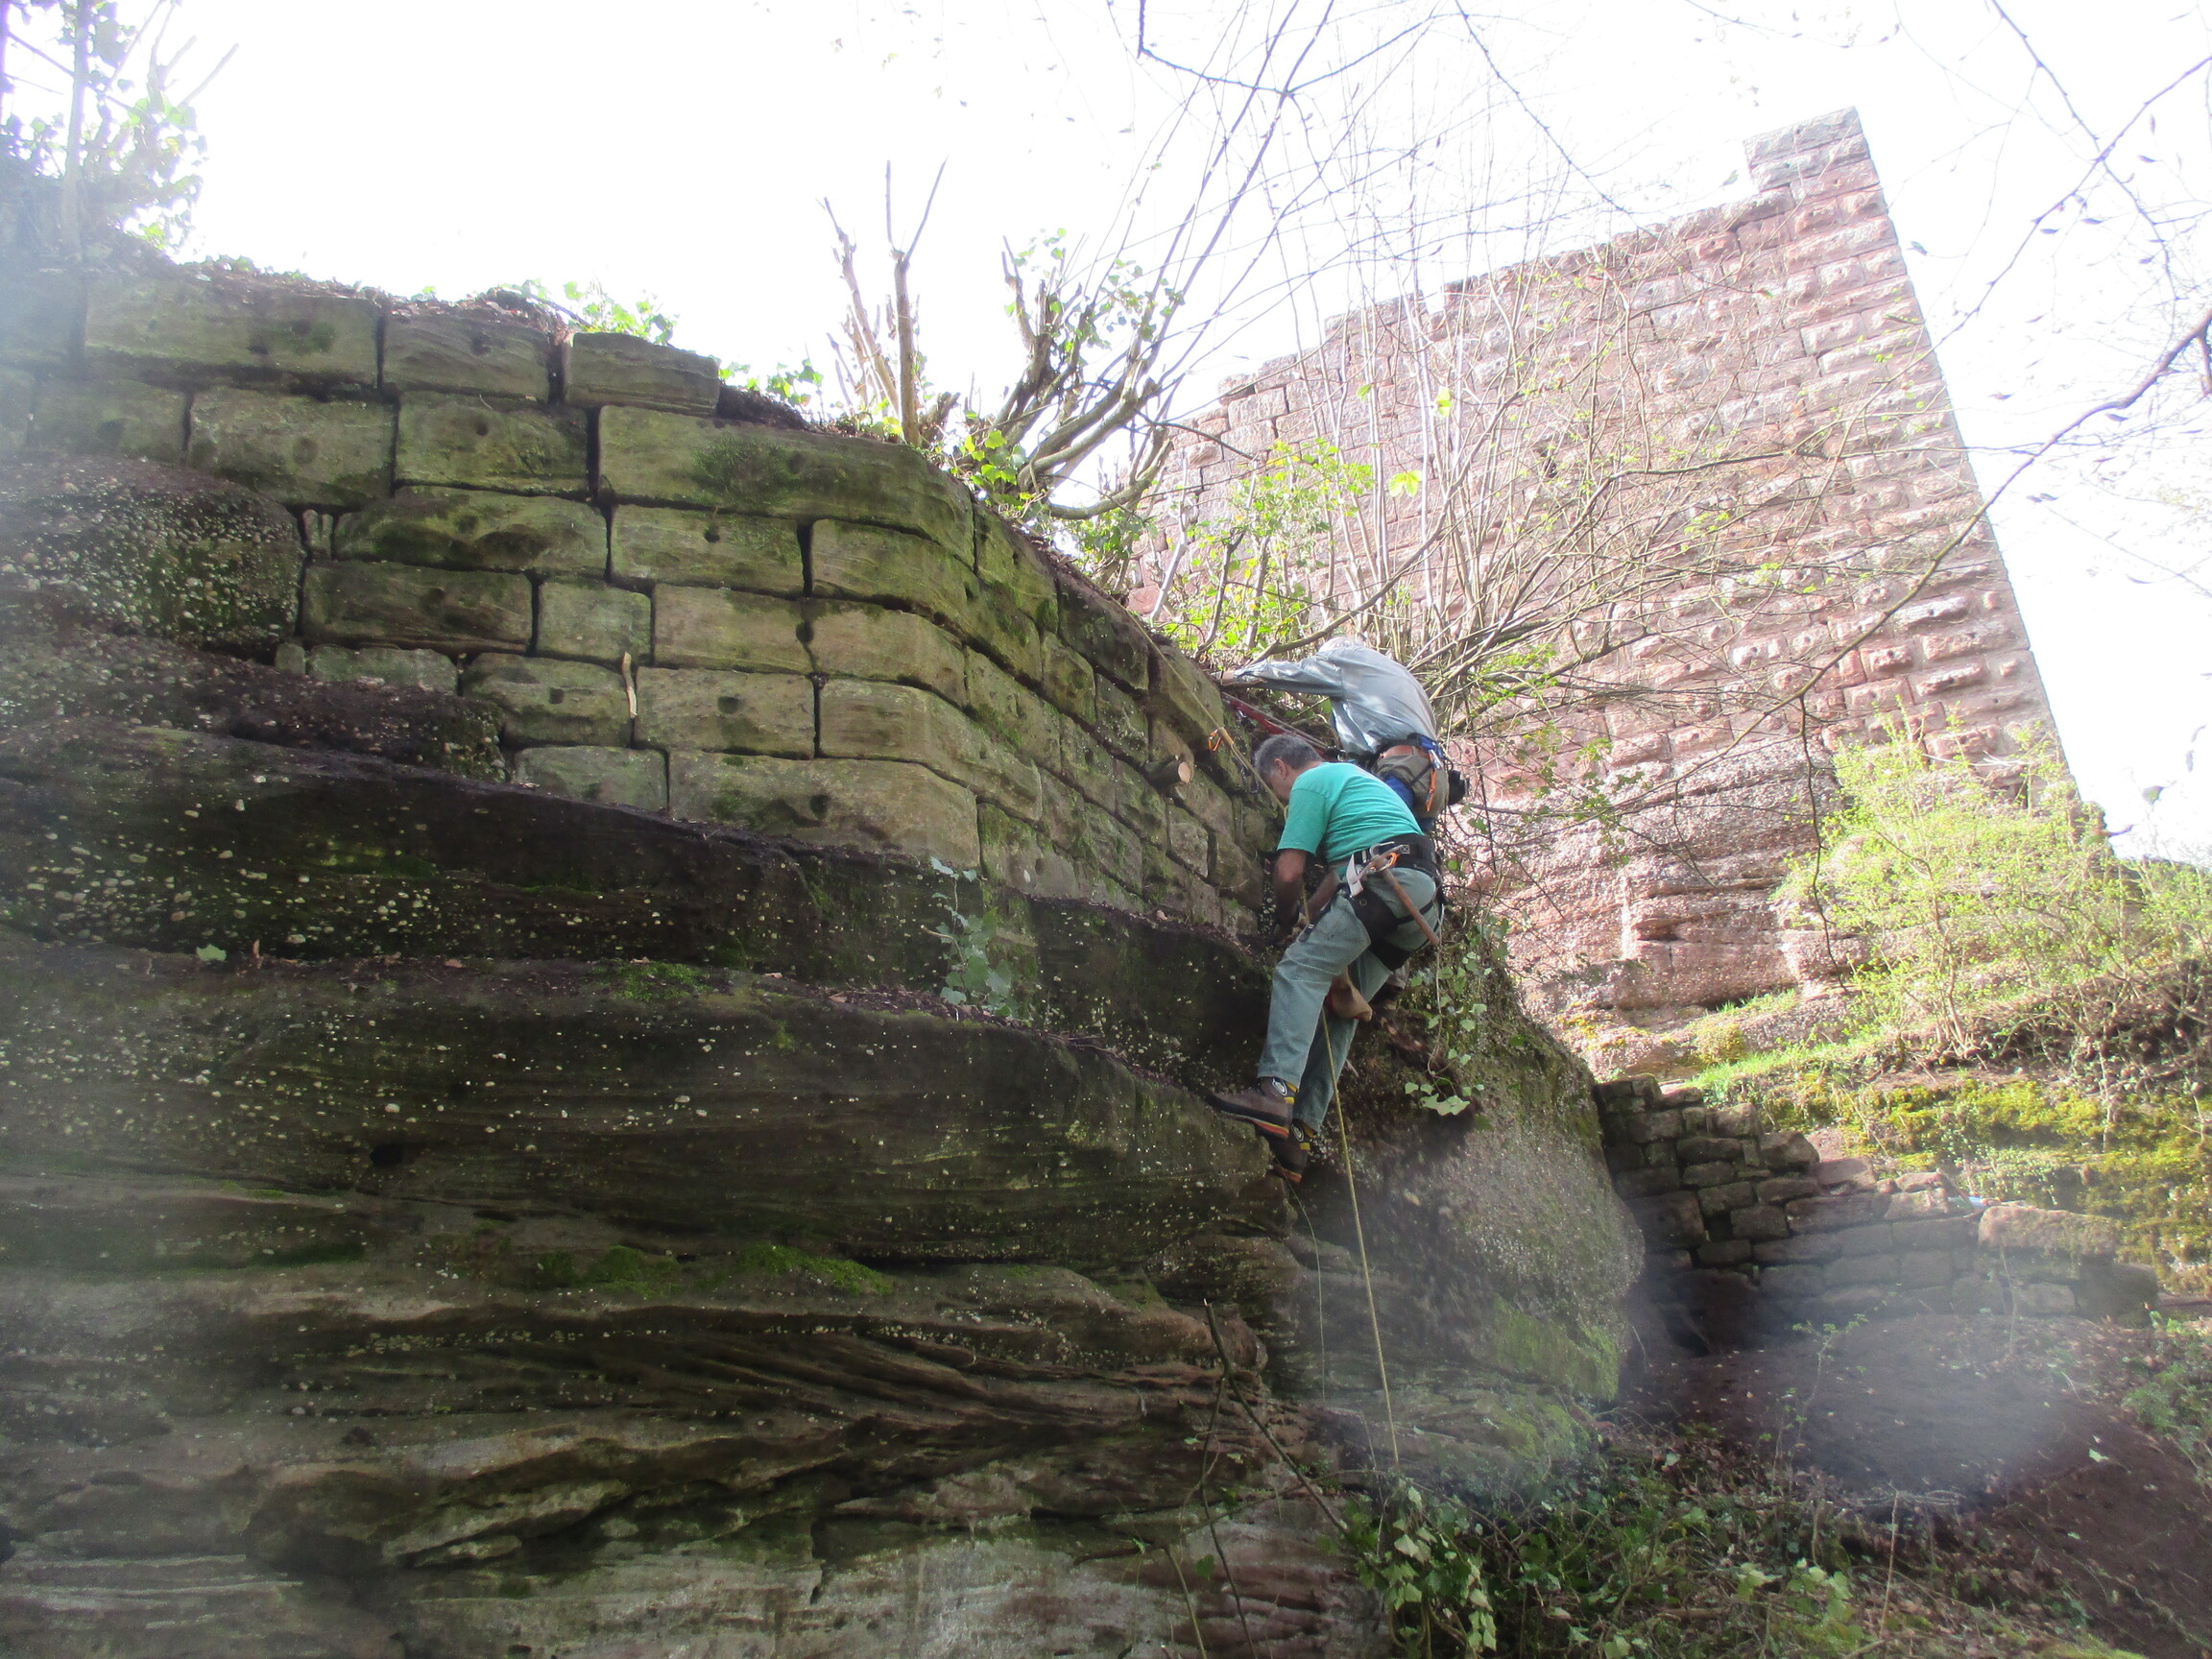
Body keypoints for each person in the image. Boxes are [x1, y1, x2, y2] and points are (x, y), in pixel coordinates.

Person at [1211, 732, 1444, 1180]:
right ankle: (1299, 1139)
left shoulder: (1311, 783)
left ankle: (1274, 1094)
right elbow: (1336, 884)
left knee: (1299, 971)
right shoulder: (1357, 786)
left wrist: (1284, 919)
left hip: (1387, 883)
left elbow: (1289, 871)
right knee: (1342, 1007)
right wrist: (1309, 919)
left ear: (1281, 768)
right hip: (1421, 902)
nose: (1282, 800)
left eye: (1276, 789)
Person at [1224, 637, 1455, 822]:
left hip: (1400, 769)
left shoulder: (1344, 661)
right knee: (1406, 850)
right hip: (1432, 778)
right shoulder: (1393, 671)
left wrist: (1232, 676)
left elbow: (1291, 673)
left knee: (1374, 836)